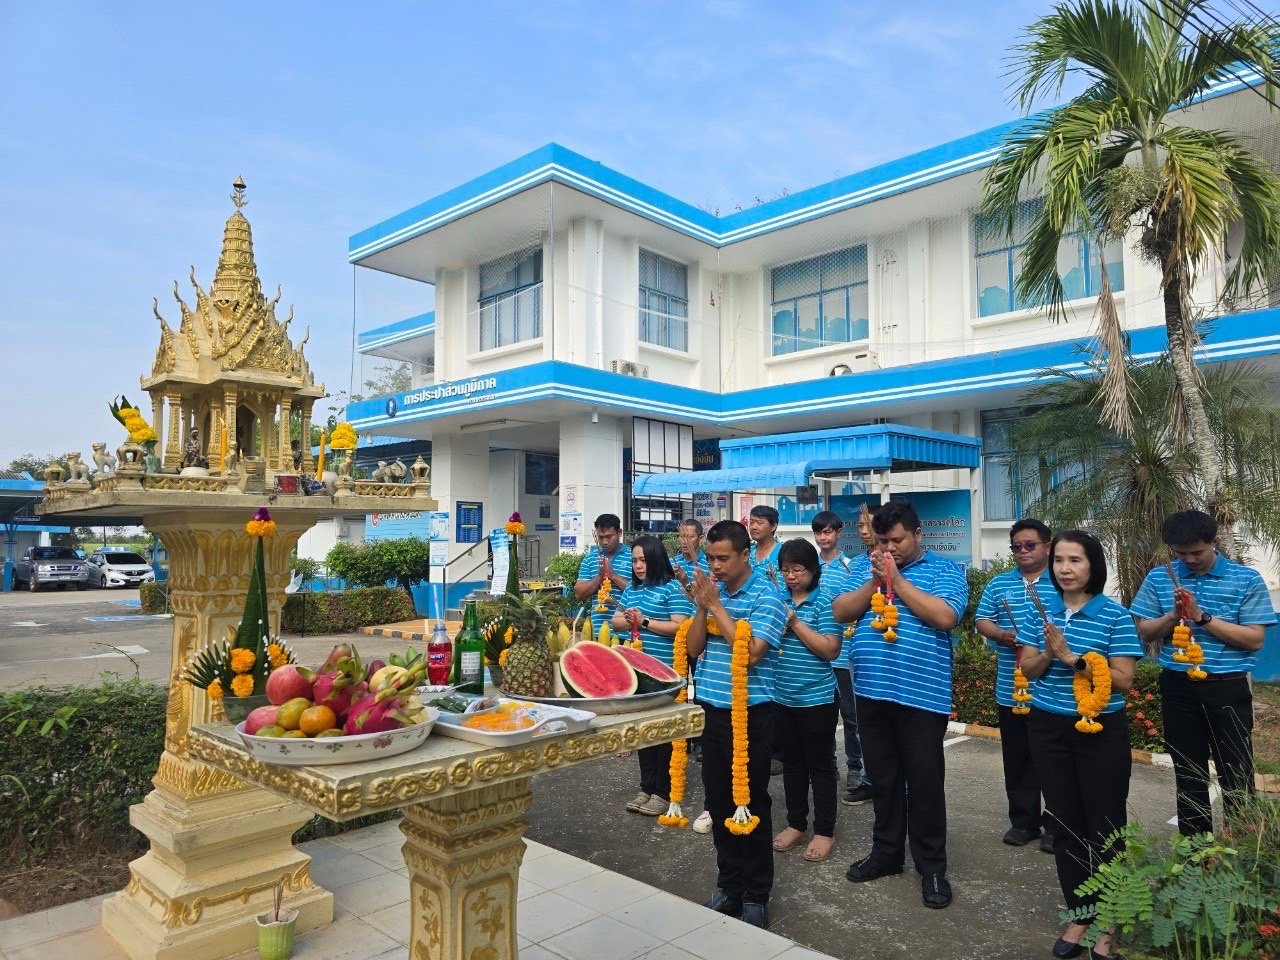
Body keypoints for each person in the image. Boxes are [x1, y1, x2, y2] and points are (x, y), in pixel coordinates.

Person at [832, 498, 967, 910]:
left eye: (898, 541)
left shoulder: (948, 570)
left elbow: (945, 617)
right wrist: (877, 581)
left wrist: (898, 580)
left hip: (922, 698)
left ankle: (931, 868)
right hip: (871, 693)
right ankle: (887, 854)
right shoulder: (863, 569)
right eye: (882, 542)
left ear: (918, 534)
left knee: (924, 785)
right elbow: (840, 611)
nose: (890, 549)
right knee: (884, 782)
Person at [1017, 530, 1142, 960]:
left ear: (1094, 567)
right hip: (1048, 727)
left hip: (1100, 729)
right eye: (1059, 561)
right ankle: (1080, 913)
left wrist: (1073, 658)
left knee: (1105, 825)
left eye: (1075, 561)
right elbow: (1030, 670)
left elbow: (1124, 679)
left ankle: (1110, 917)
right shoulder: (1044, 612)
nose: (1065, 569)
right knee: (1066, 823)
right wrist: (1051, 652)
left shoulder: (1115, 616)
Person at [1130, 510, 1276, 838]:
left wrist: (1201, 616)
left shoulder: (1246, 579)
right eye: (1180, 553)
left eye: (1196, 551)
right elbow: (1146, 632)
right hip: (1178, 685)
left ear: (1214, 541)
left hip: (1227, 685)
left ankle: (1241, 846)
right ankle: (1194, 853)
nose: (1189, 560)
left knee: (1236, 770)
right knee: (1188, 770)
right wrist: (1173, 615)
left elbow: (1254, 639)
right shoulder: (1159, 577)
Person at [688, 519, 787, 929]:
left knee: (751, 803)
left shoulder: (770, 595)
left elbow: (750, 655)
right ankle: (729, 885)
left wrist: (714, 605)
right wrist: (701, 607)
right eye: (710, 558)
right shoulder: (711, 596)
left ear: (745, 555)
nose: (715, 566)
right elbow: (694, 649)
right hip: (712, 709)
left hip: (753, 713)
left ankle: (756, 893)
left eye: (723, 558)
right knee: (717, 802)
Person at [974, 518, 1057, 852]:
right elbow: (982, 620)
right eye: (1017, 547)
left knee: (1053, 760)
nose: (1023, 552)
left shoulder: (1061, 581)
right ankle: (1024, 822)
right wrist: (1001, 635)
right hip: (1011, 686)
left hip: (1054, 689)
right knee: (1018, 758)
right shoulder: (999, 584)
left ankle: (1056, 825)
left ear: (1047, 547)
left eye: (1030, 545)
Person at [770, 539, 842, 863]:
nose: (791, 576)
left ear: (813, 570)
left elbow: (830, 649)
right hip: (782, 697)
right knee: (793, 766)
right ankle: (796, 824)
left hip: (818, 699)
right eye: (785, 570)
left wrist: (795, 623)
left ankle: (824, 831)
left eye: (797, 569)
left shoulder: (824, 601)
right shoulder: (777, 599)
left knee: (821, 767)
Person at [612, 535, 693, 817]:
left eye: (643, 560)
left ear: (656, 559)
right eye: (634, 561)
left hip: (667, 672)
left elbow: (680, 627)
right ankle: (646, 787)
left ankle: (664, 791)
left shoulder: (671, 589)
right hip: (637, 672)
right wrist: (632, 619)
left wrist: (643, 621)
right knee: (645, 732)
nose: (637, 566)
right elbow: (616, 620)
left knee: (665, 732)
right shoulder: (631, 590)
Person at [822, 505, 874, 805]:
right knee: (843, 717)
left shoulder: (846, 564)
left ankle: (860, 770)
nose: (864, 531)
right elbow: (842, 609)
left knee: (855, 718)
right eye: (861, 525)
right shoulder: (856, 565)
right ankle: (864, 778)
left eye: (869, 525)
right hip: (838, 652)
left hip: (860, 653)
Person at [574, 513, 633, 637]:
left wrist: (613, 576)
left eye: (609, 536)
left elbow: (640, 592)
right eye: (600, 537)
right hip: (598, 630)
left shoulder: (633, 556)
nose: (605, 542)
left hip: (626, 631)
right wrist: (599, 577)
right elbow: (579, 594)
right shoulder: (590, 558)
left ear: (620, 532)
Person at [747, 505, 782, 586]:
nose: (753, 527)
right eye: (751, 522)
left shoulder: (784, 554)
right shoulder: (746, 553)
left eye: (759, 523)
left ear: (773, 526)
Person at [672, 518, 709, 586]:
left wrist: (685, 582)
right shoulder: (671, 562)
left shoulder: (709, 564)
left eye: (690, 537)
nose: (685, 541)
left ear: (700, 539)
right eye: (682, 536)